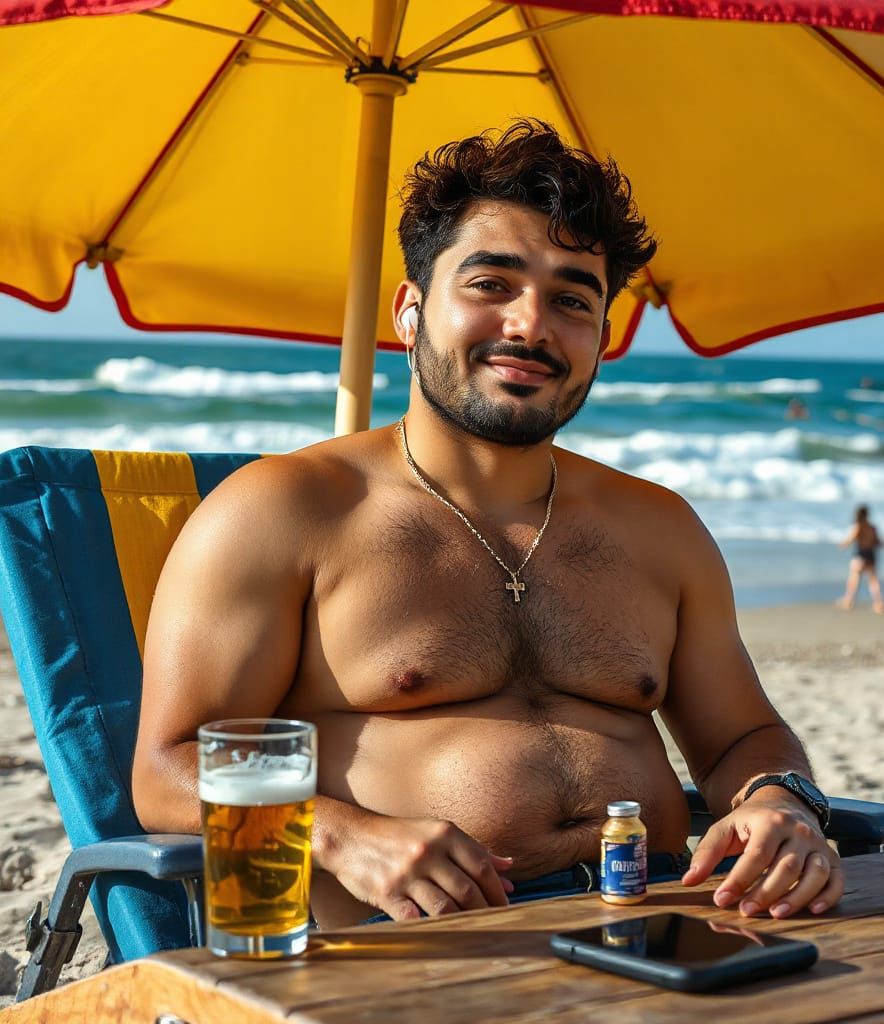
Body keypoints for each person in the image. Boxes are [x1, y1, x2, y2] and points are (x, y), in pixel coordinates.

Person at [132, 120, 842, 928]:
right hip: (425, 952)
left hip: (668, 917)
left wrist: (780, 799)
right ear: (409, 311)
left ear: (601, 339)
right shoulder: (283, 512)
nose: (530, 325)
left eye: (572, 299)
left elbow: (742, 737)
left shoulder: (659, 528)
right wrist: (342, 837)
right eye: (490, 284)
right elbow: (166, 771)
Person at [837, 505, 884, 613]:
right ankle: (878, 603)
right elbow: (879, 543)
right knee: (873, 581)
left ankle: (848, 601)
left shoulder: (858, 526)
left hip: (860, 555)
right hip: (871, 555)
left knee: (854, 579)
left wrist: (842, 545)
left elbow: (850, 539)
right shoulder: (872, 528)